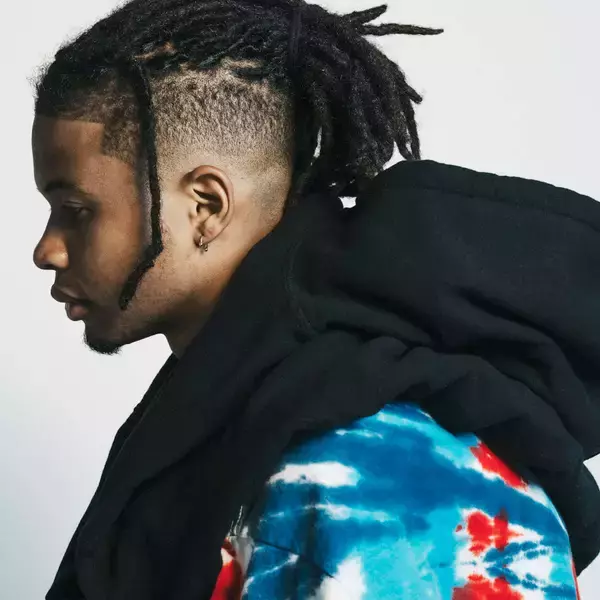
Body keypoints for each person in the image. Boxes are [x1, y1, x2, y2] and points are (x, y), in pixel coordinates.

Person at [31, 1, 599, 598]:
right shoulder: (212, 412)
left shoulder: (365, 480)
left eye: (75, 210)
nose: (46, 250)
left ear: (205, 207)